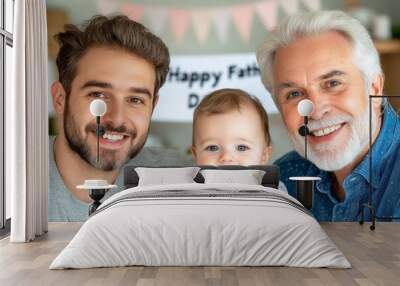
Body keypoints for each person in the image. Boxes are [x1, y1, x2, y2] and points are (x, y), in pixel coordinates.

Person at [256, 10, 400, 221]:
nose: (315, 110)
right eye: (294, 94)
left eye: (333, 84)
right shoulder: (282, 183)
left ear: (375, 88)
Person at [50, 15, 190, 222]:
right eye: (98, 94)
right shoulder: (11, 177)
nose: (116, 119)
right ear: (60, 99)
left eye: (135, 99)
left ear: (152, 107)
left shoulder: (182, 177)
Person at [191, 88, 287, 192]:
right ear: (196, 154)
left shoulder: (273, 191)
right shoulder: (188, 191)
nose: (226, 157)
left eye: (241, 147)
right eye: (212, 147)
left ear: (264, 155)